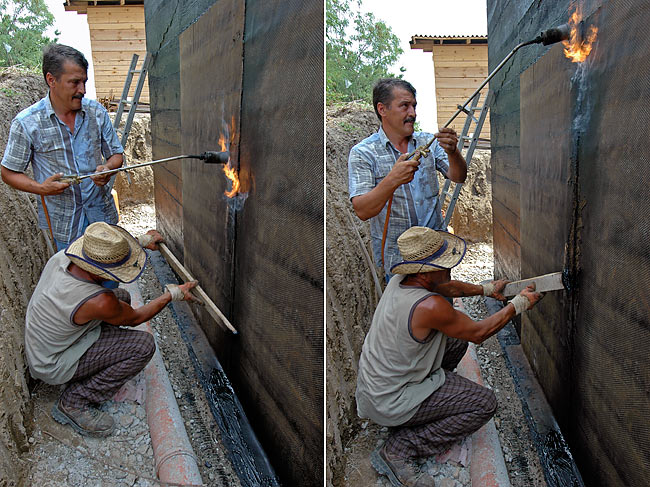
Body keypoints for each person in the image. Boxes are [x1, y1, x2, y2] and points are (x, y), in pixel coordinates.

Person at [356, 226, 543, 486]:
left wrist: (486, 290)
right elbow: (479, 333)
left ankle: (431, 408)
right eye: (443, 265)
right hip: (390, 400)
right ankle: (400, 449)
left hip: (378, 388)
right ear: (427, 272)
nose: (448, 270)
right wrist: (518, 305)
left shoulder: (403, 281)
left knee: (455, 341)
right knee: (484, 404)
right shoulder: (428, 306)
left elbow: (448, 287)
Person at [25, 222, 199, 437]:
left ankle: (91, 364)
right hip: (53, 363)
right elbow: (135, 318)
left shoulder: (64, 256)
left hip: (45, 347)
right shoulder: (98, 301)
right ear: (100, 272)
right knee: (143, 346)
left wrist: (143, 241)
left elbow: (103, 256)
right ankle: (74, 402)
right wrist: (172, 295)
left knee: (121, 297)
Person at [1, 44, 124, 252]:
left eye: (84, 82)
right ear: (51, 80)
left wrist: (108, 167)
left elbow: (116, 154)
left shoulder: (97, 112)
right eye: (75, 83)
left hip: (102, 221)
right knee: (74, 283)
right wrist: (41, 189)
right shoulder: (27, 123)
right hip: (65, 228)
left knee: (108, 283)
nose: (82, 90)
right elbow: (8, 172)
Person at [348, 78, 468, 281]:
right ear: (382, 109)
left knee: (441, 307)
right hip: (398, 260)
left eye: (414, 106)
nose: (412, 113)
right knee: (406, 312)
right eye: (404, 106)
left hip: (436, 253)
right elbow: (362, 210)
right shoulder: (363, 153)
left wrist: (453, 152)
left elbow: (458, 176)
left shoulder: (426, 142)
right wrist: (392, 179)